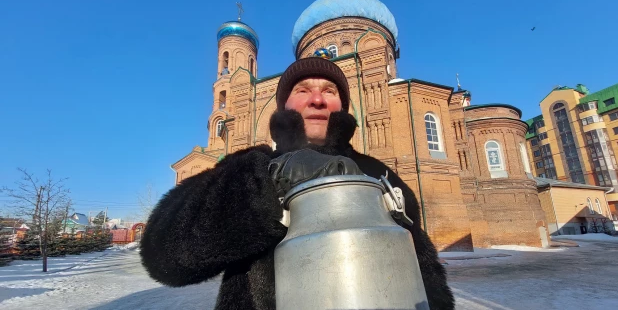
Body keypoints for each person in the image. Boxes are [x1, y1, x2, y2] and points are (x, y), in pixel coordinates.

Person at [140, 57, 455, 310]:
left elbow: (425, 275)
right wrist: (267, 185)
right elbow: (162, 257)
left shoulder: (378, 175)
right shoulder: (251, 167)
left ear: (343, 109)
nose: (317, 99)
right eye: (303, 90)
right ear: (283, 107)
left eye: (330, 92)